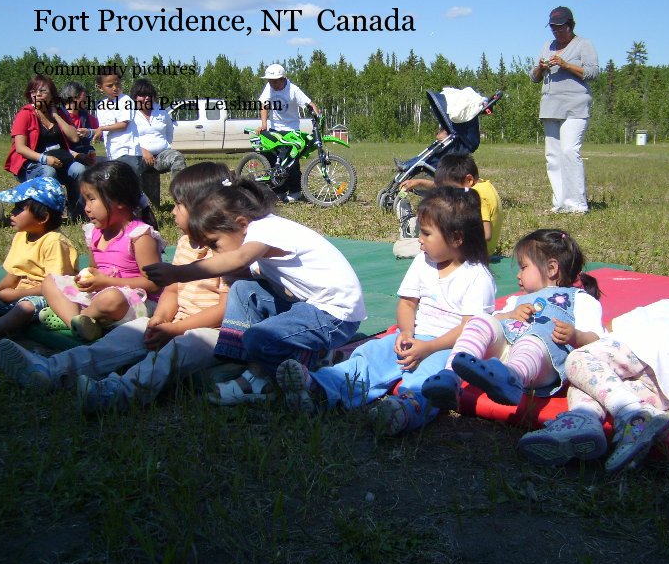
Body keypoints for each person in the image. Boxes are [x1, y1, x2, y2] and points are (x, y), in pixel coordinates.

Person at [0, 163, 250, 404]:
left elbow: (226, 309)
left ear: (206, 209)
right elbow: (172, 289)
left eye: (179, 205)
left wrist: (176, 329)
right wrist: (159, 319)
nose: (172, 211)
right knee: (128, 334)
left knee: (179, 350)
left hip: (216, 333)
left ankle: (117, 393)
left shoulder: (228, 251)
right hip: (176, 321)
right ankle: (50, 370)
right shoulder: (185, 244)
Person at [276, 187, 496, 436]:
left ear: (456, 238)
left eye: (426, 233)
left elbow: (471, 329)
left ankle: (406, 409)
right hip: (415, 339)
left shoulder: (477, 276)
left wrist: (429, 348)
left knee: (432, 377)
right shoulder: (423, 261)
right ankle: (320, 386)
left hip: (447, 348)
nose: (419, 239)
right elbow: (407, 303)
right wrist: (405, 332)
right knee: (372, 354)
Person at [143, 176, 365, 405]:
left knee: (259, 338)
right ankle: (244, 362)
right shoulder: (255, 232)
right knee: (242, 290)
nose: (215, 252)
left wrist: (178, 273)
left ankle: (278, 375)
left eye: (215, 244)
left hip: (336, 315)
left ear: (241, 224)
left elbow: (237, 260)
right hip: (310, 306)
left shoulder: (265, 230)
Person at [518, 298, 669, 473]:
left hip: (653, 344)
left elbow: (610, 328)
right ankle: (597, 423)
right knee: (599, 385)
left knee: (580, 362)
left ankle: (631, 413)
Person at [422, 229, 603, 411]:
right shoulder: (516, 300)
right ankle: (450, 377)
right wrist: (509, 315)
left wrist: (575, 336)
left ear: (551, 268)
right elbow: (496, 322)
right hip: (503, 355)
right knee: (481, 321)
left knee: (534, 338)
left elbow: (597, 339)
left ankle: (511, 379)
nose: (518, 274)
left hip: (541, 365)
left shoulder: (580, 299)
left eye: (523, 267)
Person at [37, 161, 165, 342]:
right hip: (99, 294)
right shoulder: (94, 232)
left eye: (92, 199)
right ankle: (78, 322)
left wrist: (107, 281)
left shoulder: (139, 235)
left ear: (119, 200)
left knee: (110, 298)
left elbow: (153, 284)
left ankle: (81, 317)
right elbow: (93, 268)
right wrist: (85, 278)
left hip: (132, 301)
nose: (86, 207)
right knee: (50, 281)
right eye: (85, 200)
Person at [0, 178, 78, 343]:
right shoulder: (21, 235)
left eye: (19, 209)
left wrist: (17, 294)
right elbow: (15, 272)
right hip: (16, 292)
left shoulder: (54, 241)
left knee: (25, 308)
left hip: (44, 296)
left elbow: (55, 285)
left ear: (42, 217)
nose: (12, 213)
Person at [530, 6, 598, 215]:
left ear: (570, 26)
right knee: (553, 156)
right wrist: (541, 67)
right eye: (553, 28)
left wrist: (565, 65)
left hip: (575, 106)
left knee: (569, 151)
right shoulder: (547, 46)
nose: (557, 32)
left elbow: (593, 73)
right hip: (550, 107)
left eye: (561, 28)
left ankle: (577, 203)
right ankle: (560, 202)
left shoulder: (583, 45)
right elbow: (533, 77)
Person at [4, 74, 85, 218]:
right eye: (33, 92)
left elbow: (74, 137)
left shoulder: (59, 113)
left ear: (52, 94)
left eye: (42, 91)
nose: (38, 94)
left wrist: (56, 116)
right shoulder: (25, 114)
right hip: (32, 165)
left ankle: (76, 211)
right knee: (48, 172)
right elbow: (20, 148)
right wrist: (45, 159)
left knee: (79, 169)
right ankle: (47, 213)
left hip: (60, 161)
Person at [393, 153, 503, 258]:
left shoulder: (478, 197)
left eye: (451, 190)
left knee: (399, 247)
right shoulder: (483, 186)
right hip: (471, 249)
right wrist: (419, 182)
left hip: (466, 252)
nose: (449, 193)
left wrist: (450, 239)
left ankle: (408, 229)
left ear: (469, 180)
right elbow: (448, 186)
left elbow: (486, 234)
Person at [256, 63, 320, 202]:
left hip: (291, 130)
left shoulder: (293, 90)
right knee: (273, 160)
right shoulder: (269, 87)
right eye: (269, 80)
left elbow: (311, 104)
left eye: (274, 81)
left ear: (282, 78)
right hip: (274, 129)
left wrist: (317, 116)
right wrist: (264, 124)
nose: (271, 83)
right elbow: (264, 105)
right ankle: (278, 191)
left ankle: (295, 191)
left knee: (291, 162)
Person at [131, 78, 187, 208]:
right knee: (131, 169)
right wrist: (143, 150)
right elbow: (128, 138)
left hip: (162, 155)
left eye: (149, 95)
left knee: (177, 157)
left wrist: (164, 147)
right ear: (134, 97)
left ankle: (182, 200)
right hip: (139, 156)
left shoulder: (161, 111)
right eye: (142, 95)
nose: (146, 98)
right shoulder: (129, 113)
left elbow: (169, 132)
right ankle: (138, 205)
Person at [86, 67, 143, 178]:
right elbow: (104, 128)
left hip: (128, 152)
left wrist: (101, 129)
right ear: (100, 87)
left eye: (117, 84)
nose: (115, 88)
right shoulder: (101, 105)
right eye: (110, 86)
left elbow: (123, 125)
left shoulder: (125, 100)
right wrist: (90, 132)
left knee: (130, 185)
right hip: (113, 153)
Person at [60, 81, 99, 167]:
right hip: (66, 158)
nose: (86, 99)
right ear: (74, 97)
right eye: (84, 96)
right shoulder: (60, 116)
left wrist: (90, 151)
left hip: (85, 157)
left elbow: (100, 131)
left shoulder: (85, 116)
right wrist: (77, 155)